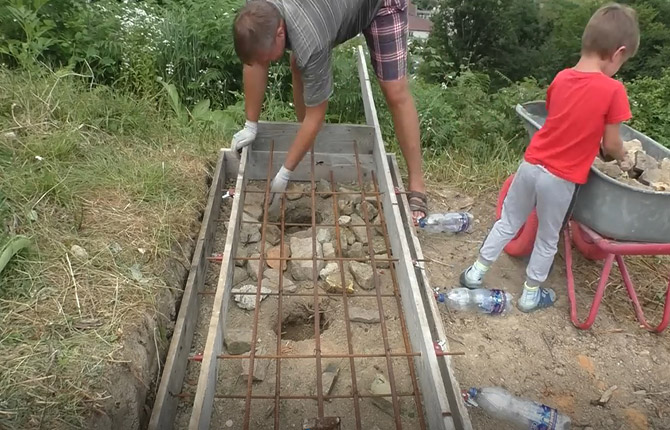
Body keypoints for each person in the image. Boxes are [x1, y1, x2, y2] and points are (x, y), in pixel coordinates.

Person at [459, 3, 639, 312]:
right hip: (561, 178)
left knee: (508, 221)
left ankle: (475, 272)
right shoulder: (613, 90)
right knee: (547, 235)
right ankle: (530, 294)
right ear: (618, 52)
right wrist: (624, 158)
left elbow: (563, 120)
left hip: (531, 165)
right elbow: (611, 145)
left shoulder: (561, 78)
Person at [230, 0, 428, 222]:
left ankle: (417, 183)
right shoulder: (256, 13)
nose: (266, 63)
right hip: (330, 10)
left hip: (381, 5)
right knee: (299, 63)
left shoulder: (311, 37)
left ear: (279, 31)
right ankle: (307, 151)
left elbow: (316, 115)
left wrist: (284, 173)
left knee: (394, 90)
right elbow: (254, 62)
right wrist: (251, 124)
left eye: (268, 59)